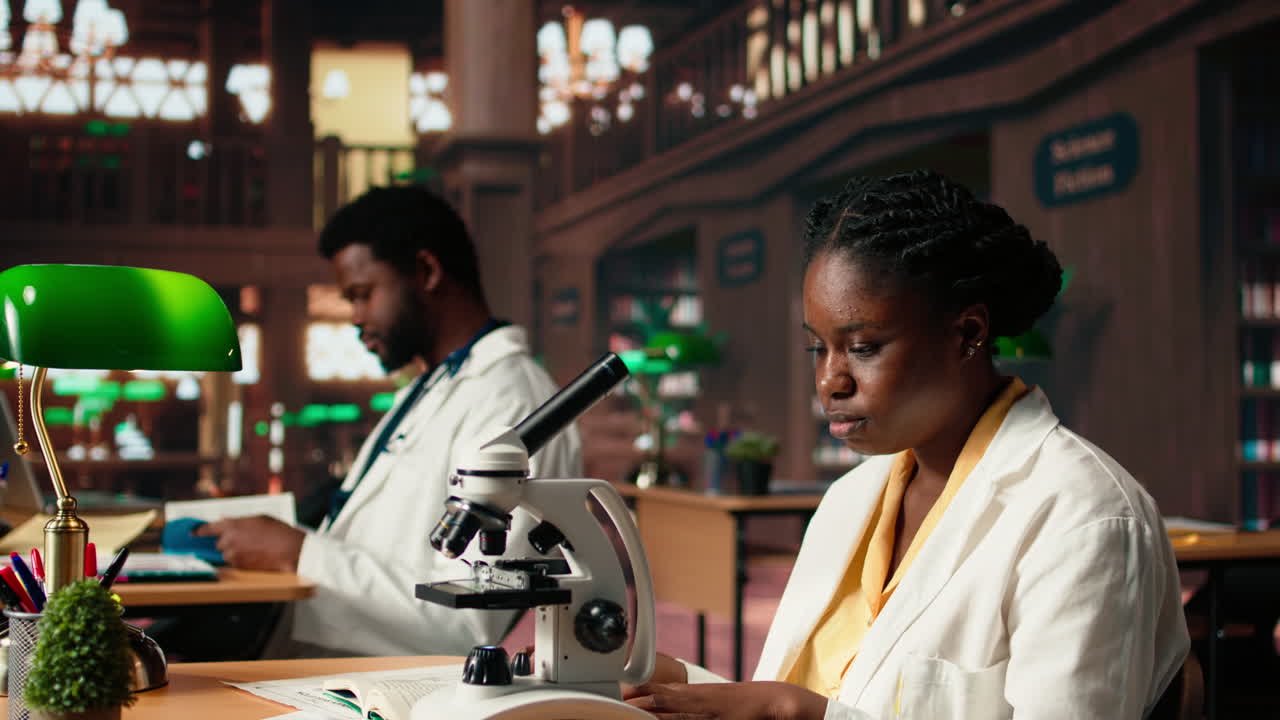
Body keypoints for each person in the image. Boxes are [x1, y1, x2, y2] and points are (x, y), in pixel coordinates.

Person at [627, 170, 1188, 718]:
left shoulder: (1084, 517)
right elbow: (838, 692)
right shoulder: (851, 497)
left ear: (968, 334)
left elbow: (816, 710)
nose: (830, 381)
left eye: (864, 347)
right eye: (817, 349)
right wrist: (680, 684)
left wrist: (800, 713)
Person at [198, 186, 582, 657]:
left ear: (426, 271)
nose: (356, 318)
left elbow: (470, 618)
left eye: (363, 295)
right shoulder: (433, 387)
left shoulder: (512, 401)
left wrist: (299, 553)